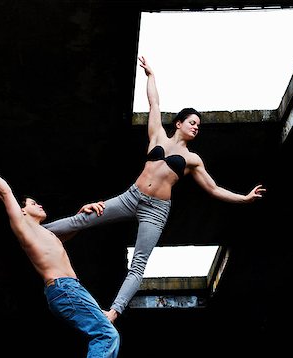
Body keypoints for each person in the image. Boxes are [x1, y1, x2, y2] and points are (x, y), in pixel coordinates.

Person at [43, 56, 266, 324]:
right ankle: (39, 232)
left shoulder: (193, 160)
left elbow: (214, 189)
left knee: (138, 263)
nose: (196, 127)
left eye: (199, 126)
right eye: (192, 122)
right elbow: (155, 103)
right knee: (85, 218)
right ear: (179, 124)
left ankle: (113, 311)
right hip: (131, 197)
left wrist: (244, 197)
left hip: (156, 212)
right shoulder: (157, 136)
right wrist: (151, 76)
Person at [0, 148, 120, 358]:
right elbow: (5, 191)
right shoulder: (23, 226)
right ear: (22, 210)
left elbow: (70, 230)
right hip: (64, 289)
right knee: (106, 336)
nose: (39, 204)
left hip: (74, 290)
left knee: (108, 331)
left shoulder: (48, 234)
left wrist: (82, 213)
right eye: (33, 203)